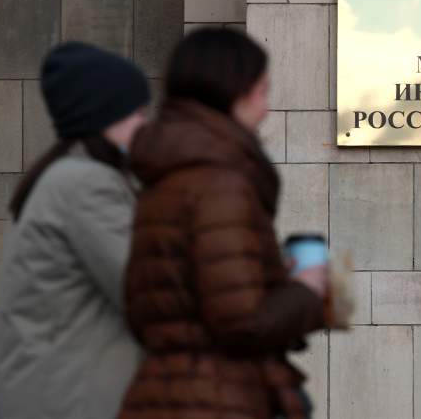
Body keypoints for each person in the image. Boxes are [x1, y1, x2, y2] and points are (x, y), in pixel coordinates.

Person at [119, 28, 336, 419]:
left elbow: (162, 308)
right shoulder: (219, 184)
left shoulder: (166, 174)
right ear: (233, 91)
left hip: (167, 392)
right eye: (262, 91)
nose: (266, 109)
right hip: (215, 398)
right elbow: (241, 323)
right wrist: (307, 289)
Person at [0, 43, 151, 419]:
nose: (146, 124)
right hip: (71, 400)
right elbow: (143, 287)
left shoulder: (63, 176)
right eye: (137, 112)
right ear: (105, 116)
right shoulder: (85, 185)